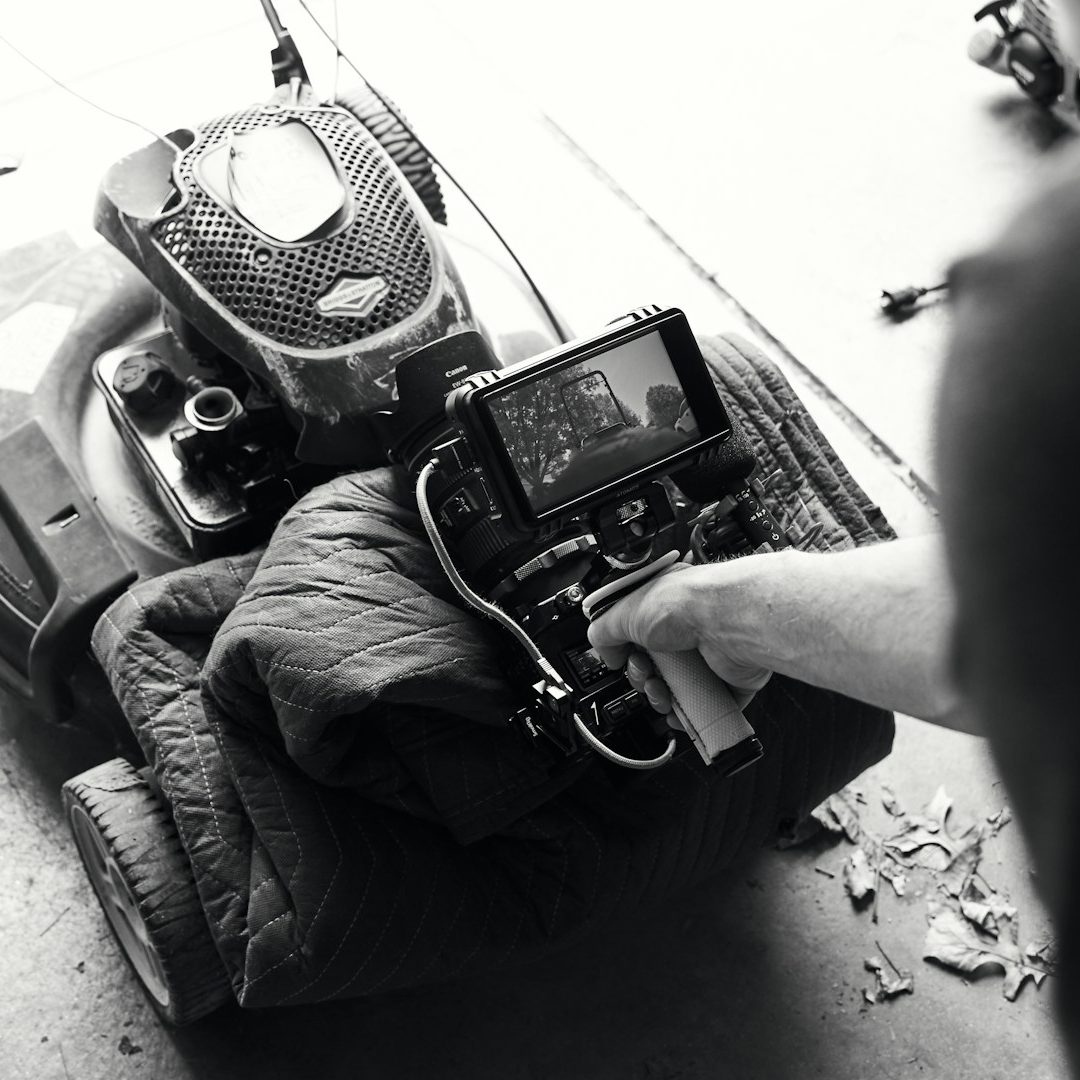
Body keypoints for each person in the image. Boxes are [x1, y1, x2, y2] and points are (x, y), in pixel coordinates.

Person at [587, 146, 1080, 1063]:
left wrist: (720, 609)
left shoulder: (1049, 295)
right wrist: (725, 610)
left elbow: (1022, 628)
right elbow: (1026, 628)